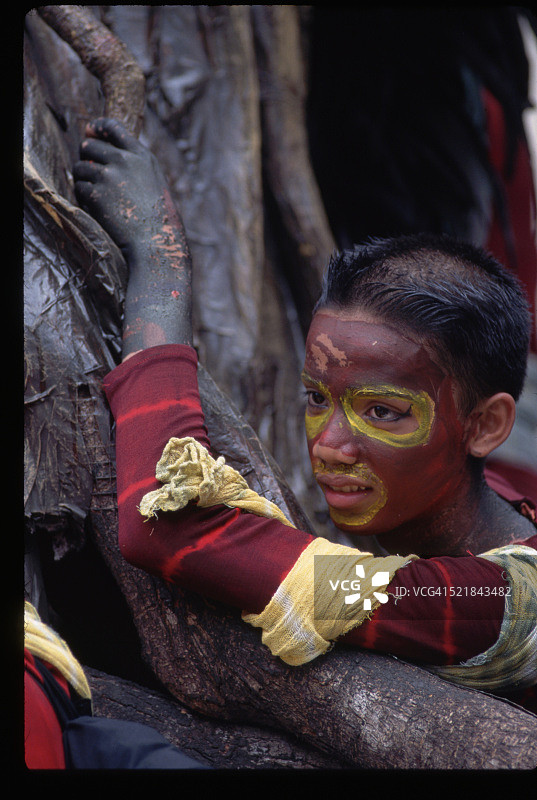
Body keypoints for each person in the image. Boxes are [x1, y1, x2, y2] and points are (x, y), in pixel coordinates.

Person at [73, 118, 537, 711]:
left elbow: (163, 525)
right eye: (318, 398)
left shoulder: (496, 604)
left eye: (383, 411)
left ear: (487, 426)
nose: (330, 445)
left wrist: (160, 258)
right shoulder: (482, 515)